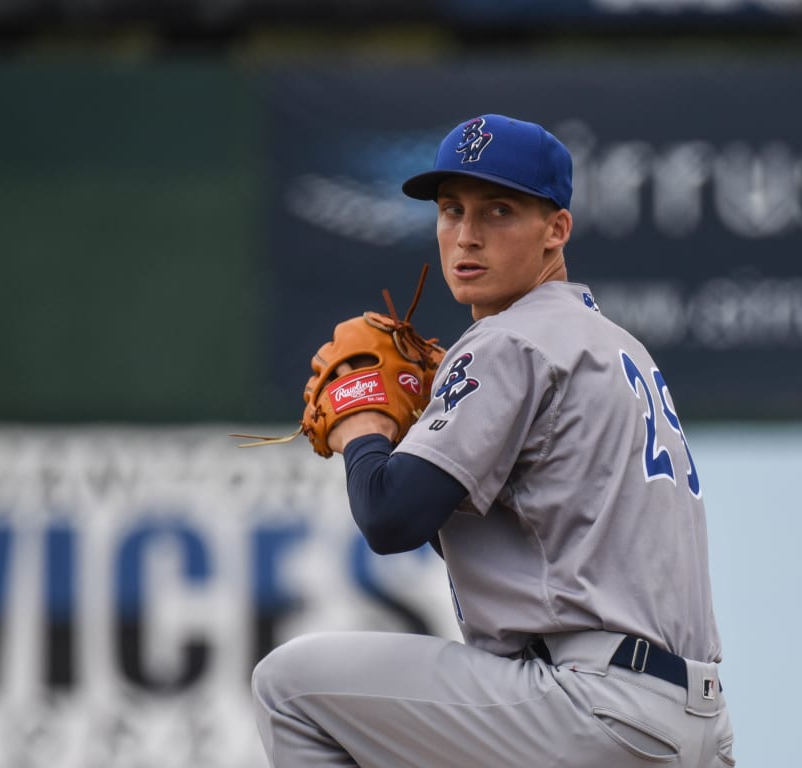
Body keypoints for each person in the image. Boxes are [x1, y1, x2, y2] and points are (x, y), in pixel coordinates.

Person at [251, 113, 735, 767]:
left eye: (499, 210)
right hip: (693, 722)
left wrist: (363, 424)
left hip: (590, 709)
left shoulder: (510, 340)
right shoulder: (617, 347)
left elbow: (391, 515)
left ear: (556, 229)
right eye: (451, 210)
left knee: (291, 686)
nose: (467, 236)